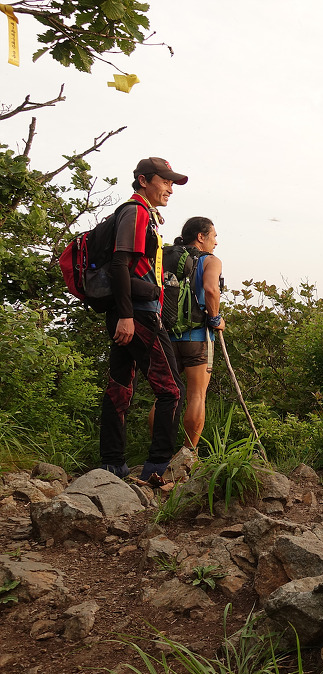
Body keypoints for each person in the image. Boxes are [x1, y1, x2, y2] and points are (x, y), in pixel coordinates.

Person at [98, 157, 188, 481]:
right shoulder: (136, 212)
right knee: (172, 390)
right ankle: (158, 468)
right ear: (143, 180)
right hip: (137, 314)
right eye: (164, 181)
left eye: (171, 183)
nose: (170, 189)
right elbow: (119, 265)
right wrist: (126, 316)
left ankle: (112, 465)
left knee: (120, 387)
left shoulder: (143, 214)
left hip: (131, 312)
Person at [167, 216, 225, 451]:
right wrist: (215, 318)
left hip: (166, 335)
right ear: (201, 237)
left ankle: (160, 452)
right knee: (197, 396)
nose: (216, 242)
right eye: (214, 236)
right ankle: (188, 454)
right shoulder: (210, 260)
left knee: (165, 396)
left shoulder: (166, 257)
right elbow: (211, 289)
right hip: (198, 337)